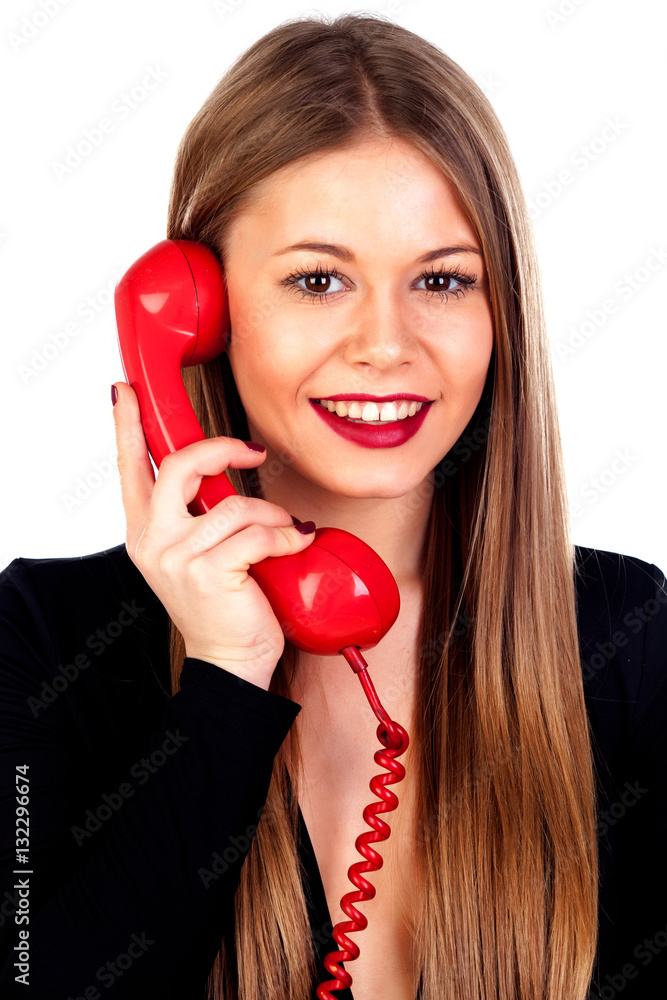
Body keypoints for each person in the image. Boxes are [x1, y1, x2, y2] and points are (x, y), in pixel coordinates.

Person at [0, 12, 665, 1000]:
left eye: (441, 279)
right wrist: (226, 681)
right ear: (198, 308)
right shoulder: (48, 640)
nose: (385, 344)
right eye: (319, 280)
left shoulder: (624, 634)